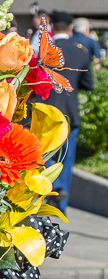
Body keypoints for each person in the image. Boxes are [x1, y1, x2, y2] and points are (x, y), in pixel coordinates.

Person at [40, 12, 95, 212]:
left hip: (47, 110)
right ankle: (60, 204)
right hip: (70, 113)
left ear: (52, 26)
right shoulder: (81, 52)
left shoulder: (45, 50)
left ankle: (46, 193)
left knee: (43, 153)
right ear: (71, 28)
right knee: (67, 158)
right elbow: (89, 85)